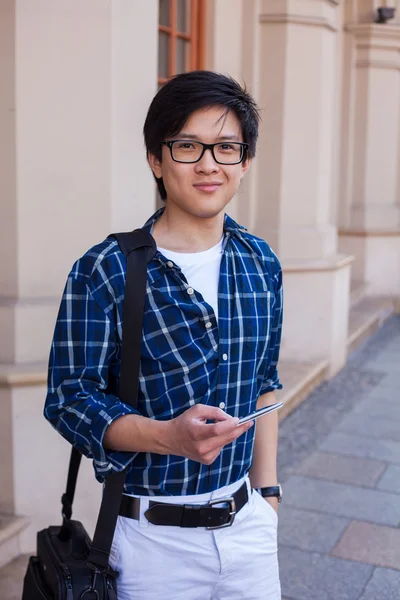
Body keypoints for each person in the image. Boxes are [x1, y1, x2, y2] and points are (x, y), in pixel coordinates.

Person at [44, 70, 283, 600]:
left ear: (244, 162)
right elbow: (68, 398)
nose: (208, 164)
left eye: (225, 148)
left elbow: (266, 382)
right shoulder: (106, 268)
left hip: (249, 534)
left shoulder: (261, 262)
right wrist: (167, 436)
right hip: (152, 545)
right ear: (157, 159)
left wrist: (268, 498)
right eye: (187, 146)